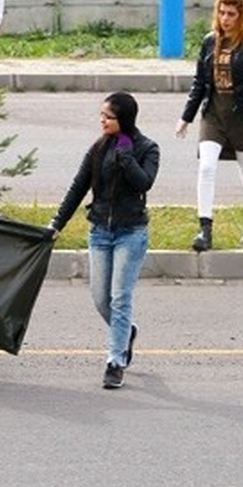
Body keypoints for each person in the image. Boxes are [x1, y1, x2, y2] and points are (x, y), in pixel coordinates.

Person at [49, 92, 159, 390]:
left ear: (123, 119)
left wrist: (125, 157)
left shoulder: (147, 148)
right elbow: (78, 187)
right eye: (101, 116)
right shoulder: (98, 149)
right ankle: (126, 333)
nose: (102, 121)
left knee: (120, 298)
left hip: (131, 232)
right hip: (100, 231)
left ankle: (115, 361)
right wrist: (57, 223)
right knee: (101, 298)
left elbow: (144, 182)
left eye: (108, 117)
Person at [175, 0, 243, 250]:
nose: (225, 18)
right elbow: (200, 83)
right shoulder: (209, 41)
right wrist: (186, 117)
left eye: (231, 14)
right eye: (222, 12)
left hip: (242, 116)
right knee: (206, 167)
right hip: (214, 113)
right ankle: (204, 230)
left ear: (241, 16)